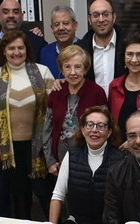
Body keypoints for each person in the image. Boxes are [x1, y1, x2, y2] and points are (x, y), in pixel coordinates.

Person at [0, 30, 55, 221]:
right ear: (3, 51)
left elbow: (54, 106)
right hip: (9, 147)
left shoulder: (43, 71)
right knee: (20, 193)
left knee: (44, 191)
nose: (16, 52)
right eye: (11, 48)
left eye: (20, 47)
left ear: (26, 49)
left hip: (37, 146)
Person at [49, 106, 125, 224]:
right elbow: (58, 194)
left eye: (101, 126)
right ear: (82, 129)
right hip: (79, 222)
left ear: (109, 132)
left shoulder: (120, 158)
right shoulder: (72, 154)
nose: (94, 130)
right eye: (89, 125)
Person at [43, 45, 107, 179]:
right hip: (59, 160)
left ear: (85, 68)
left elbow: (104, 129)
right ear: (61, 69)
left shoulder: (97, 92)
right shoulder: (56, 92)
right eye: (67, 67)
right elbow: (47, 130)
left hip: (90, 160)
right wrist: (50, 161)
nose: (73, 72)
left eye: (78, 67)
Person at [76, 0, 126, 94]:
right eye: (96, 15)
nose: (101, 19)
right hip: (92, 107)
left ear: (114, 17)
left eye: (105, 14)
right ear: (89, 19)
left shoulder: (129, 46)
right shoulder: (79, 50)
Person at [38, 6, 80, 77]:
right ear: (52, 28)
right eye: (56, 25)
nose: (61, 28)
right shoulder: (45, 52)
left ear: (75, 25)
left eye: (66, 23)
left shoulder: (84, 49)